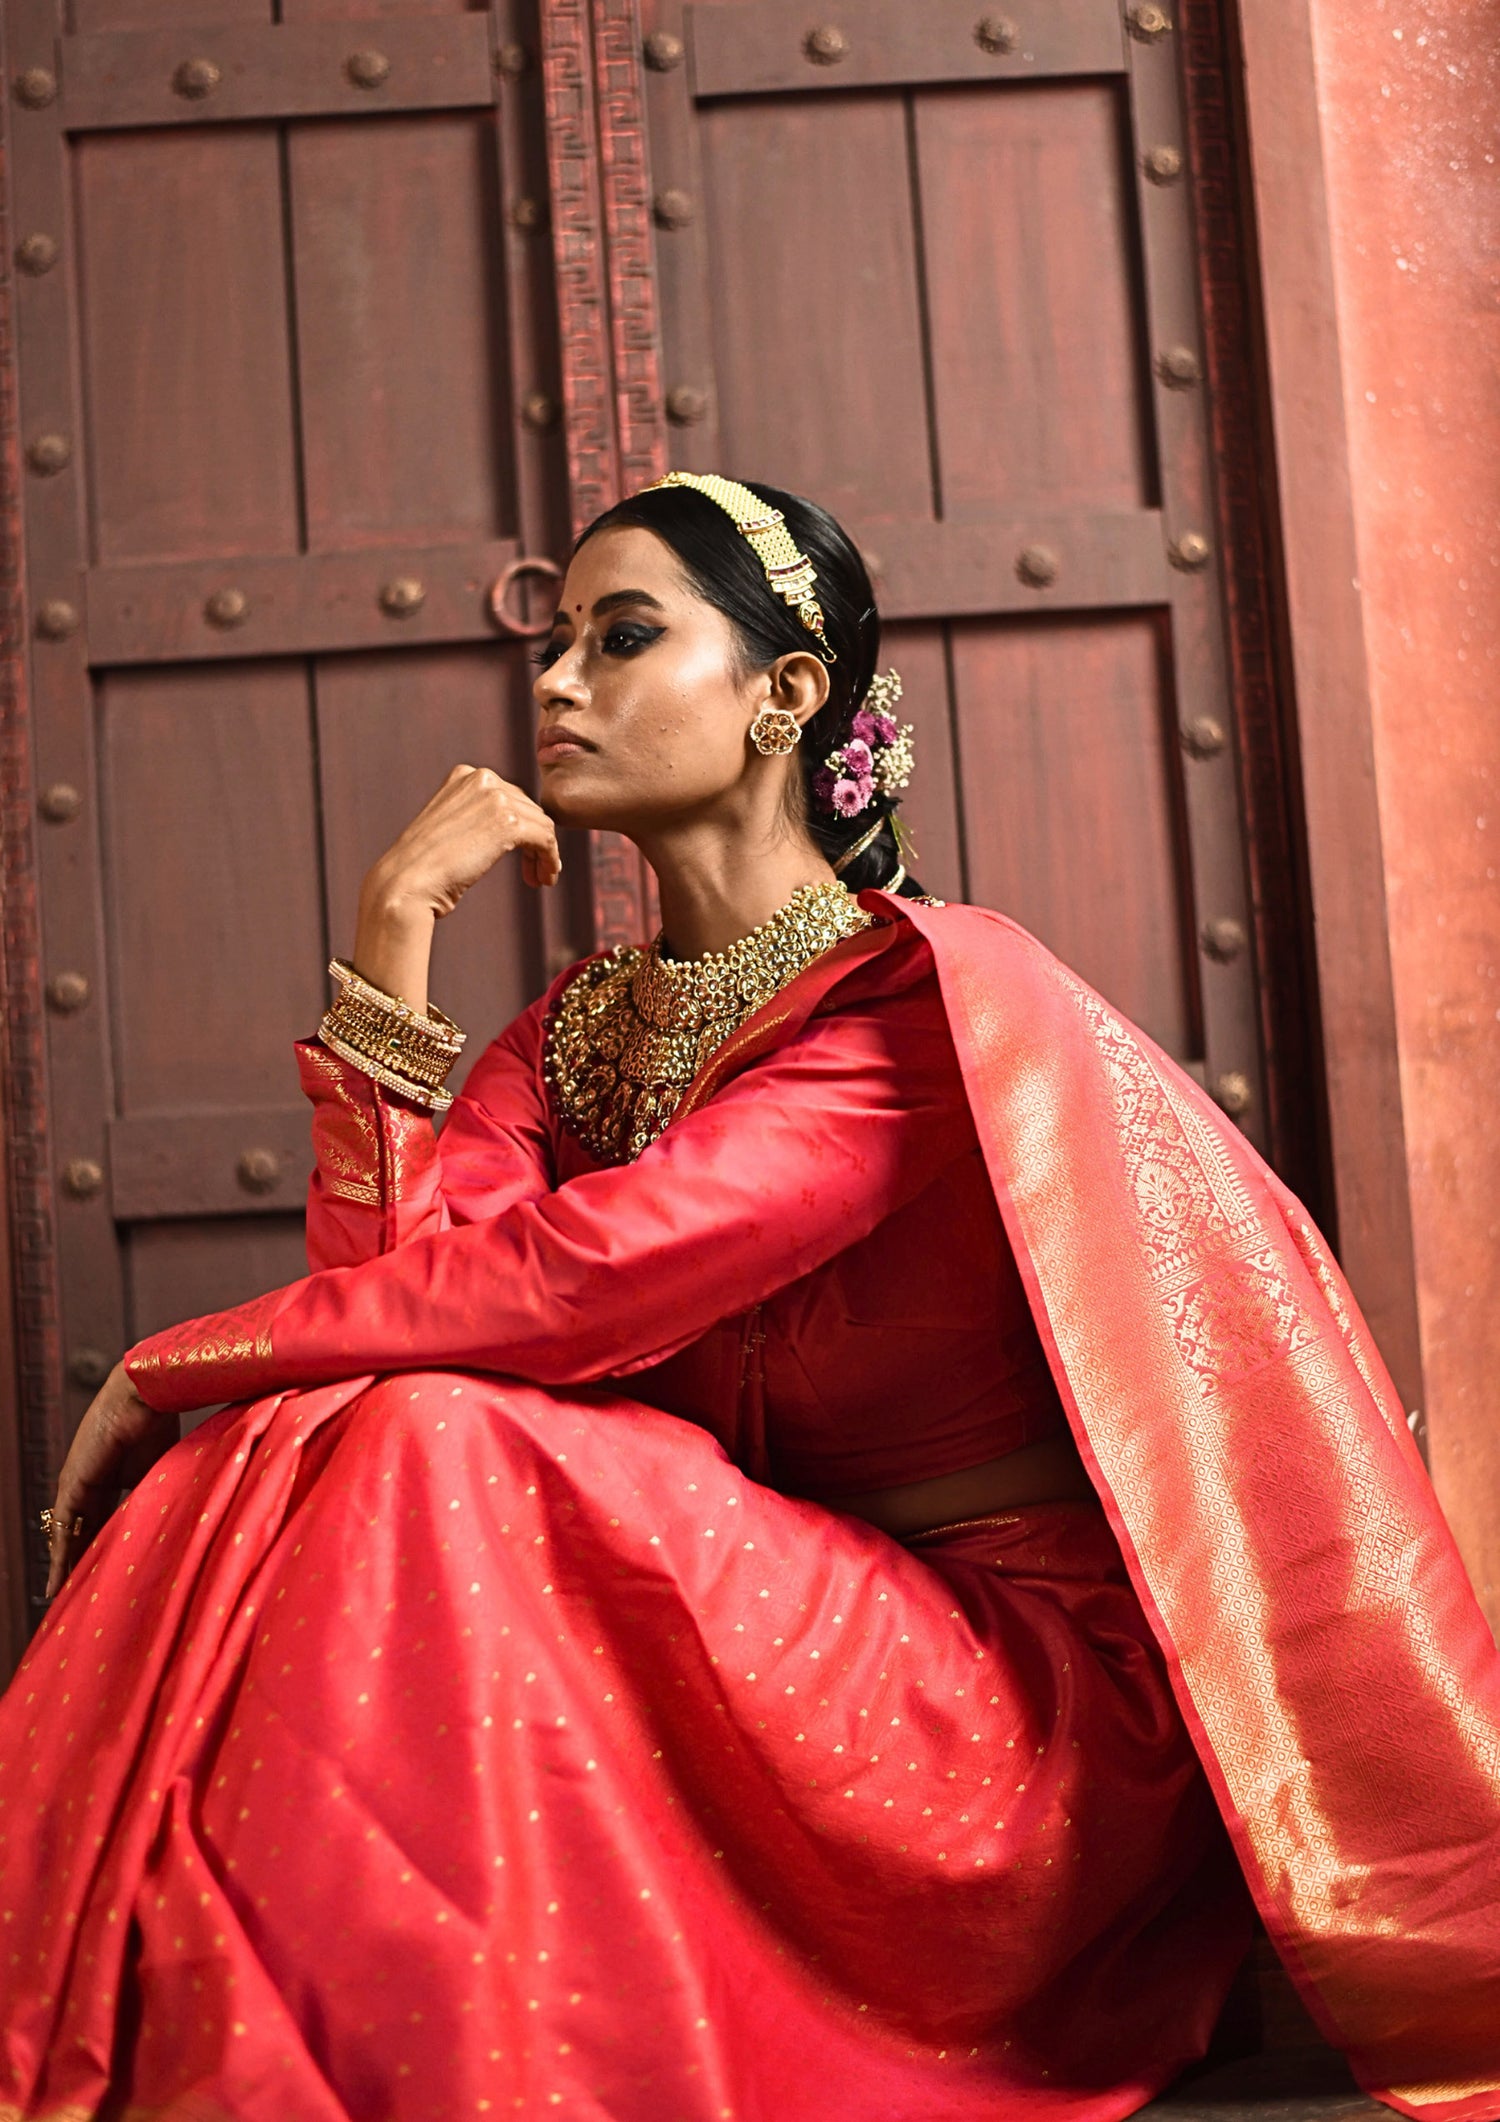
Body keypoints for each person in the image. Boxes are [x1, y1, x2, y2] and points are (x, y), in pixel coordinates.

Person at [2, 474, 1497, 2122]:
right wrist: (393, 950)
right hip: (734, 1647)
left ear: (788, 694)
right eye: (558, 642)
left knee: (423, 1429)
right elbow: (400, 1304)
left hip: (1000, 1709)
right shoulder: (578, 1033)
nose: (558, 683)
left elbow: (580, 1281)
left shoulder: (913, 1006)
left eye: (622, 636)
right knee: (371, 1422)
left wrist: (171, 1360)